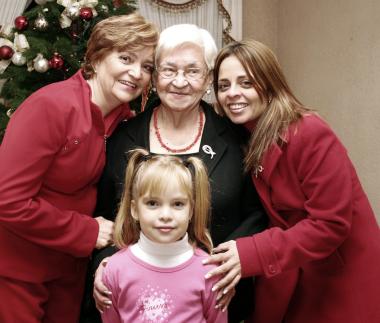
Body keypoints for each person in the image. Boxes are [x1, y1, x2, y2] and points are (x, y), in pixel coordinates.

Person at [81, 25, 267, 323]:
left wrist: (236, 261)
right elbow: (104, 214)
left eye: (193, 71)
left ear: (208, 78)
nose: (180, 82)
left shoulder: (237, 137)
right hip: (135, 302)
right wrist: (103, 264)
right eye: (169, 70)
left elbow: (258, 212)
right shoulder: (122, 138)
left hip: (218, 295)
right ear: (154, 77)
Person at [203, 39, 380, 323]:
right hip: (295, 276)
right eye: (224, 86)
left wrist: (252, 252)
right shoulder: (244, 135)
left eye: (246, 83)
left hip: (340, 279)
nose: (233, 93)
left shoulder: (309, 132)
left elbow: (330, 224)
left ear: (270, 83)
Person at [0, 13, 158, 323]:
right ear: (97, 58)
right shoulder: (52, 106)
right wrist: (86, 230)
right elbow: (7, 200)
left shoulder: (125, 121)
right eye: (125, 57)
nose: (136, 72)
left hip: (69, 273)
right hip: (19, 271)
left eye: (147, 66)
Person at [101, 148, 227, 323]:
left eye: (177, 204)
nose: (166, 215)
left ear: (191, 210)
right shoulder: (115, 270)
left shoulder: (209, 272)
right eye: (153, 203)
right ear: (135, 209)